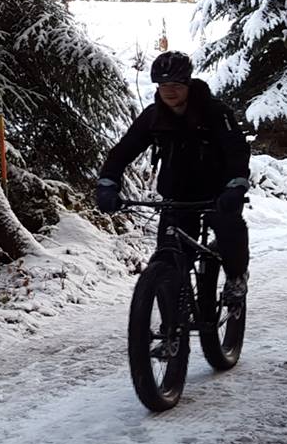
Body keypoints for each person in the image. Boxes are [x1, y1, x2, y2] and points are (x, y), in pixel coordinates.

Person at [95, 51, 250, 309]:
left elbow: (236, 150)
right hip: (176, 195)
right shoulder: (154, 116)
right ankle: (173, 330)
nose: (169, 91)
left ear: (188, 84)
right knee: (170, 258)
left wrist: (235, 186)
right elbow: (122, 151)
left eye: (176, 85)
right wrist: (108, 183)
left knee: (229, 229)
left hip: (218, 193)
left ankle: (236, 278)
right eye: (163, 85)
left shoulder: (214, 112)